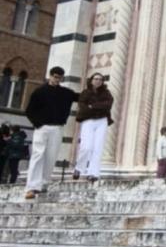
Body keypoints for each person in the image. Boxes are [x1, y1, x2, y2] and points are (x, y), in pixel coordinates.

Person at [24, 66, 79, 199]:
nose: (57, 80)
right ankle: (31, 187)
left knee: (51, 156)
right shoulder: (39, 91)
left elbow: (80, 97)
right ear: (50, 76)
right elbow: (30, 110)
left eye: (60, 78)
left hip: (57, 128)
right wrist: (38, 124)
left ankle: (43, 183)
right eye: (55, 77)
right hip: (42, 128)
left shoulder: (65, 93)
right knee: (38, 154)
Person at [73, 72, 114, 181]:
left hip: (102, 121)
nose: (98, 81)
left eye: (100, 79)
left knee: (98, 147)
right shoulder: (85, 93)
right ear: (91, 80)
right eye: (96, 79)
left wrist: (93, 106)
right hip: (88, 120)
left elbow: (108, 105)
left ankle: (93, 173)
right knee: (86, 147)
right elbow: (83, 106)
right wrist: (97, 107)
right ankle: (79, 168)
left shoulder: (106, 93)